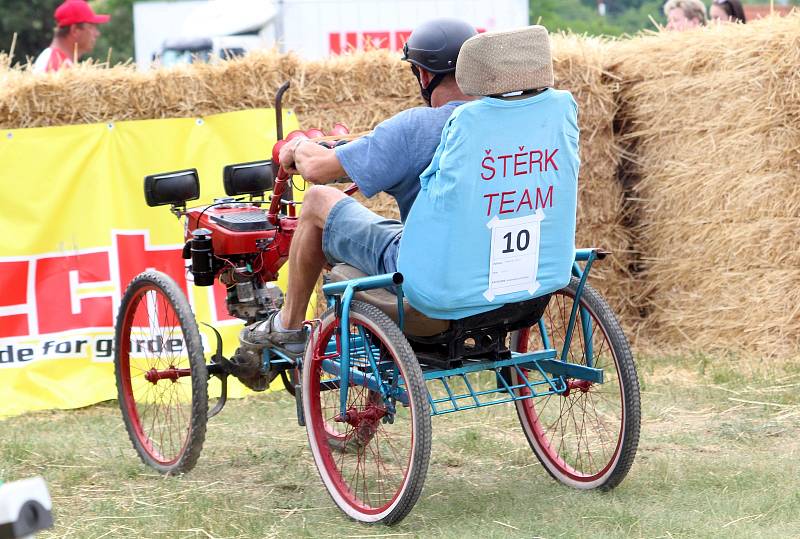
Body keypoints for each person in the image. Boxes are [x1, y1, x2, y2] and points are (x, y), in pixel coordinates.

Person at [234, 18, 478, 371]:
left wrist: (299, 146)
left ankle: (288, 324)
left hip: (430, 281)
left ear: (424, 76)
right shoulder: (507, 122)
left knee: (318, 200)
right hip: (500, 277)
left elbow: (318, 170)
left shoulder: (417, 128)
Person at [32, 0, 110, 73]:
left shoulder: (60, 62)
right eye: (91, 27)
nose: (97, 34)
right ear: (75, 30)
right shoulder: (55, 65)